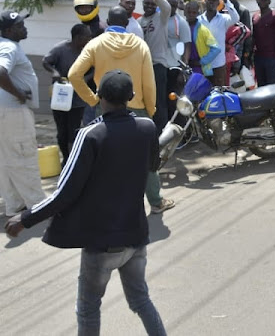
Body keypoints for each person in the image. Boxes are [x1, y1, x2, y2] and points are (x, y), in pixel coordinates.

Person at [4, 70, 167, 335]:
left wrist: (25, 218)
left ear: (99, 97)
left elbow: (64, 192)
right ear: (132, 97)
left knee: (89, 307)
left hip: (100, 243)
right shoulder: (147, 127)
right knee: (141, 300)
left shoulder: (90, 135)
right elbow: (152, 165)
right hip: (135, 237)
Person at [68, 6, 174, 215]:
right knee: (146, 160)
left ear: (107, 23)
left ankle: (112, 206)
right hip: (138, 110)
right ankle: (156, 202)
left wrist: (93, 100)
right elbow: (149, 83)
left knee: (107, 160)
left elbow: (74, 74)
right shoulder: (140, 45)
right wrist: (150, 109)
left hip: (105, 110)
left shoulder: (95, 44)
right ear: (127, 23)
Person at [0, 11, 47, 217]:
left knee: (7, 158)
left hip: (6, 112)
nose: (25, 28)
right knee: (23, 155)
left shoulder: (5, 44)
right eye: (20, 25)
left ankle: (14, 204)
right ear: (9, 30)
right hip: (14, 112)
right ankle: (37, 205)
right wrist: (19, 94)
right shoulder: (9, 47)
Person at [43, 23, 93, 165]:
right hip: (61, 95)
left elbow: (94, 68)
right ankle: (65, 157)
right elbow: (46, 62)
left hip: (77, 97)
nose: (90, 38)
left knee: (74, 130)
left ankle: (73, 160)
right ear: (78, 37)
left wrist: (84, 79)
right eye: (87, 36)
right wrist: (55, 73)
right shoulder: (60, 49)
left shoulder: (88, 51)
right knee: (62, 131)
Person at [138, 0, 172, 133]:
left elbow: (167, 7)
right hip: (143, 67)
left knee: (159, 102)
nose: (149, 6)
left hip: (158, 65)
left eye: (152, 4)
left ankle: (162, 134)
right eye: (146, 4)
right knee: (146, 101)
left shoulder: (161, 17)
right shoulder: (139, 21)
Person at [199, 0, 239, 86]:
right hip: (204, 64)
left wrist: (227, 2)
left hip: (218, 64)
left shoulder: (223, 19)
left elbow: (236, 18)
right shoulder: (199, 20)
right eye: (209, 0)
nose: (212, 2)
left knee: (220, 93)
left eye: (214, 0)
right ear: (205, 1)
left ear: (218, 3)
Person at [251, 0, 275, 86]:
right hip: (258, 57)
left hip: (271, 57)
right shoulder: (255, 16)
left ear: (269, 2)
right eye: (261, 0)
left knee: (272, 85)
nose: (263, 2)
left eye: (265, 0)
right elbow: (254, 36)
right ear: (257, 1)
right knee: (261, 84)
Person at [184, 0, 221, 78]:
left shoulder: (203, 30)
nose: (191, 15)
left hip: (200, 70)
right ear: (185, 13)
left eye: (193, 13)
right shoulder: (181, 27)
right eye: (189, 12)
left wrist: (201, 62)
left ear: (197, 13)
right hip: (185, 67)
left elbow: (216, 48)